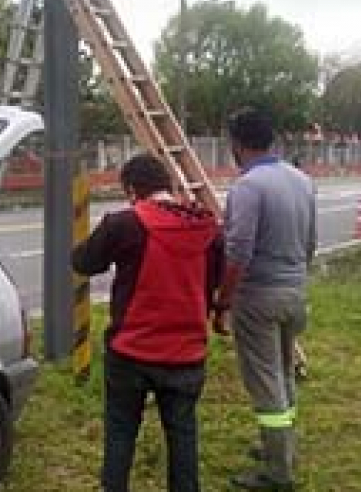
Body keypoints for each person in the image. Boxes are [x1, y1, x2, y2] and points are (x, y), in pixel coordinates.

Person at [72, 153, 223, 492]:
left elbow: (85, 263)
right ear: (166, 186)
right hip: (186, 353)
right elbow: (212, 282)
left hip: (131, 352)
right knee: (183, 435)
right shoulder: (207, 227)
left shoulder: (123, 224)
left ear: (131, 189)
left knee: (121, 431)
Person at [212, 109, 317, 492]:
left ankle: (277, 472)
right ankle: (283, 449)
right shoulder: (303, 181)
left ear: (237, 145)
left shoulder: (248, 187)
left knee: (265, 381)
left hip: (258, 297)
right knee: (284, 372)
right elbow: (310, 242)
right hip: (295, 292)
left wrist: (223, 302)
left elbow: (238, 252)